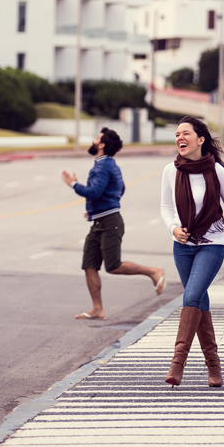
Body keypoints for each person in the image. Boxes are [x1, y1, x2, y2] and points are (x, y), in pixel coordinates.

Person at [159, 116, 224, 387]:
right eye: (177, 134)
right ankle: (214, 366)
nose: (179, 138)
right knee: (199, 301)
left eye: (185, 133)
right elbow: (166, 208)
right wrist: (173, 228)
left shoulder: (216, 172)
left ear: (200, 139)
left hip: (212, 244)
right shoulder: (170, 171)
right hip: (182, 247)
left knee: (192, 296)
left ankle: (177, 363)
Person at [62, 127, 165, 320]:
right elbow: (121, 188)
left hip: (110, 223)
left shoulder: (102, 166)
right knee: (89, 265)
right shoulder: (110, 164)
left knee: (113, 265)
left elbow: (93, 192)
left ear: (101, 145)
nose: (93, 141)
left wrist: (73, 184)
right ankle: (97, 309)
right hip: (101, 220)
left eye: (96, 139)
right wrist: (96, 208)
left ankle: (153, 271)